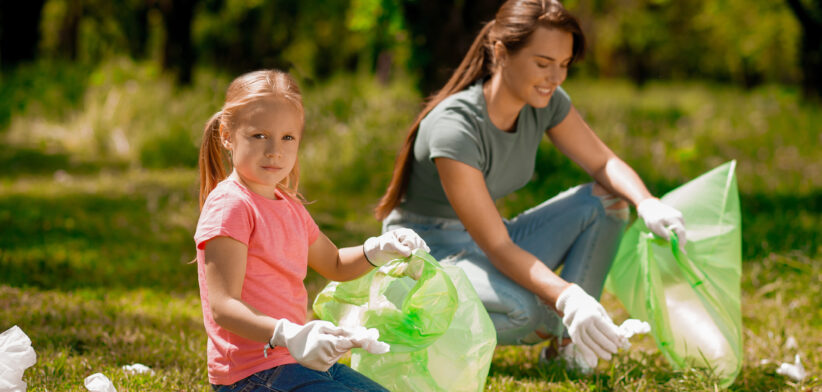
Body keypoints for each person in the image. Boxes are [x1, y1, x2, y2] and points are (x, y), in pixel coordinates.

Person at [375, 0, 687, 372]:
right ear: (501, 52)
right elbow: (498, 245)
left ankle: (568, 348)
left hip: (480, 242)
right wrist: (567, 297)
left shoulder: (547, 103)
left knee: (608, 201)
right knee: (526, 311)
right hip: (427, 253)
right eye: (543, 64)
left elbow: (603, 163)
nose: (555, 78)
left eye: (564, 65)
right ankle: (405, 327)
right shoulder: (453, 128)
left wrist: (647, 202)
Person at [194, 69, 429, 391]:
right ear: (226, 135)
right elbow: (224, 307)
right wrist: (288, 333)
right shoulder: (231, 205)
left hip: (300, 362)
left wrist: (377, 249)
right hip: (251, 376)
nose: (274, 150)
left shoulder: (288, 205)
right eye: (259, 135)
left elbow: (333, 263)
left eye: (287, 137)